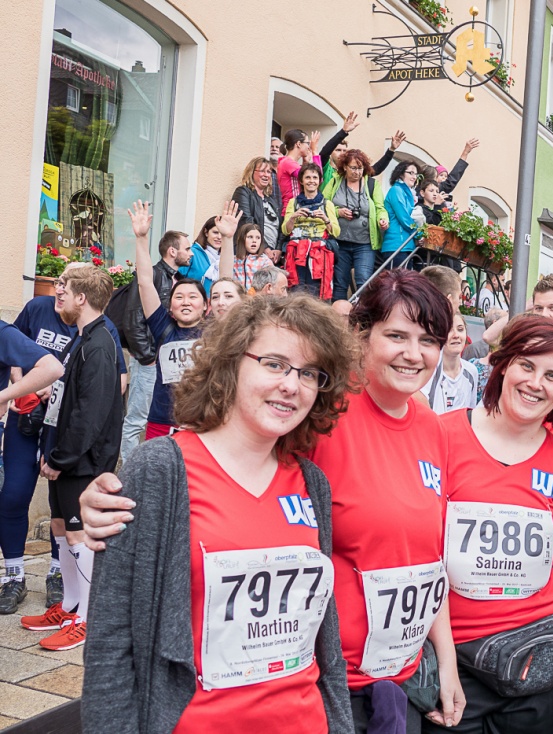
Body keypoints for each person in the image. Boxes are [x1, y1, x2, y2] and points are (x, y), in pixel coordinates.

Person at [81, 295, 358, 733]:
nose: (293, 385)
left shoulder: (312, 484)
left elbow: (323, 639)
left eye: (309, 373)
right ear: (231, 364)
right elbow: (110, 643)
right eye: (274, 363)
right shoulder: (160, 471)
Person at [422, 314, 553, 734]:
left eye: (552, 375)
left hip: (534, 670)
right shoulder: (438, 437)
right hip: (450, 666)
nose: (536, 383)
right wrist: (442, 663)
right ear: (502, 364)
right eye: (527, 364)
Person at [316, 270, 464, 732]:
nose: (413, 354)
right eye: (396, 336)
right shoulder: (321, 414)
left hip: (399, 679)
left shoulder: (430, 426)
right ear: (361, 335)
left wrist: (447, 662)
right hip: (327, 681)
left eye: (428, 340)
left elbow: (426, 560)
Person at [20, 266, 123, 651]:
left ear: (83, 298)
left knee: (80, 535)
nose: (56, 292)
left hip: (83, 462)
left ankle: (86, 619)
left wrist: (61, 457)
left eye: (64, 287)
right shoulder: (81, 337)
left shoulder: (100, 344)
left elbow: (91, 413)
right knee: (62, 528)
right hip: (63, 456)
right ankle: (70, 605)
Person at [130, 201, 227, 438]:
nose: (185, 301)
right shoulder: (162, 326)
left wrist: (229, 239)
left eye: (193, 296)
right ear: (170, 306)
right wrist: (141, 239)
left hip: (200, 423)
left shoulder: (213, 330)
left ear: (206, 306)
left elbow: (226, 284)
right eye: (179, 296)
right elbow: (144, 282)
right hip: (161, 423)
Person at [0, 320, 64, 614]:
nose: (60, 290)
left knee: (61, 504)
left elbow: (52, 367)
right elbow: (15, 361)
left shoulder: (96, 328)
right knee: (12, 495)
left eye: (67, 284)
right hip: (22, 420)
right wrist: (17, 386)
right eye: (59, 284)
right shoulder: (37, 309)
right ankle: (14, 575)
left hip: (64, 423)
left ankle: (58, 572)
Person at [119, 229, 192, 461]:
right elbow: (133, 319)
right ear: (173, 251)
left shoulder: (178, 280)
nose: (191, 254)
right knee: (136, 420)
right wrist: (148, 358)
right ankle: (130, 472)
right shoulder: (153, 275)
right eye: (187, 248)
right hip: (149, 361)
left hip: (164, 363)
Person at [330, 149, 388, 302]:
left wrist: (383, 220)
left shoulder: (371, 184)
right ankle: (337, 318)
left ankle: (362, 319)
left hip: (364, 243)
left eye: (360, 168)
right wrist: (338, 212)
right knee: (340, 283)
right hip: (340, 242)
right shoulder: (336, 181)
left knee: (363, 281)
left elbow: (380, 207)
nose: (357, 172)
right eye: (353, 168)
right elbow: (324, 204)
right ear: (345, 167)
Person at [282, 162, 340, 300]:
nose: (311, 181)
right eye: (308, 177)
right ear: (301, 180)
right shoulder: (293, 202)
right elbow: (285, 230)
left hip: (319, 254)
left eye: (314, 178)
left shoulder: (327, 204)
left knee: (317, 291)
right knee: (296, 289)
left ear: (320, 181)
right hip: (297, 253)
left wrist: (326, 219)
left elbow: (336, 232)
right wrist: (293, 217)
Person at [422, 313, 478, 414]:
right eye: (449, 330)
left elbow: (470, 413)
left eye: (460, 329)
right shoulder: (430, 370)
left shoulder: (471, 371)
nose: (456, 335)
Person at [232, 156, 283, 262]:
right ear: (251, 172)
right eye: (262, 171)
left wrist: (278, 249)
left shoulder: (271, 200)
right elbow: (247, 221)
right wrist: (264, 248)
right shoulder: (243, 192)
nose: (266, 175)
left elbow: (281, 227)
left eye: (269, 172)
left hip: (270, 256)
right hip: (251, 254)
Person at [380, 161, 423, 270]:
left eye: (416, 174)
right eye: (411, 173)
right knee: (396, 284)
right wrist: (419, 234)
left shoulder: (406, 192)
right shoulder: (396, 190)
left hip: (405, 245)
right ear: (401, 174)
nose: (414, 177)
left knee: (404, 285)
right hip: (396, 245)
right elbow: (404, 218)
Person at [219, 223, 275, 292]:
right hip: (238, 299)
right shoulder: (233, 260)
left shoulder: (265, 261)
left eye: (258, 238)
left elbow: (271, 284)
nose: (254, 240)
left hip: (256, 299)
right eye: (250, 237)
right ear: (242, 239)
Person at [178, 216, 225, 295]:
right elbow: (176, 279)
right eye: (215, 232)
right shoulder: (192, 253)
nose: (219, 237)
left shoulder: (227, 258)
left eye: (223, 234)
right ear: (206, 232)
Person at [277, 128, 321, 212]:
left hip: (297, 208)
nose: (309, 147)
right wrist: (315, 151)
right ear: (298, 144)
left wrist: (305, 162)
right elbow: (318, 177)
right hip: (292, 210)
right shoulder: (288, 162)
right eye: (307, 143)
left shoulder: (289, 162)